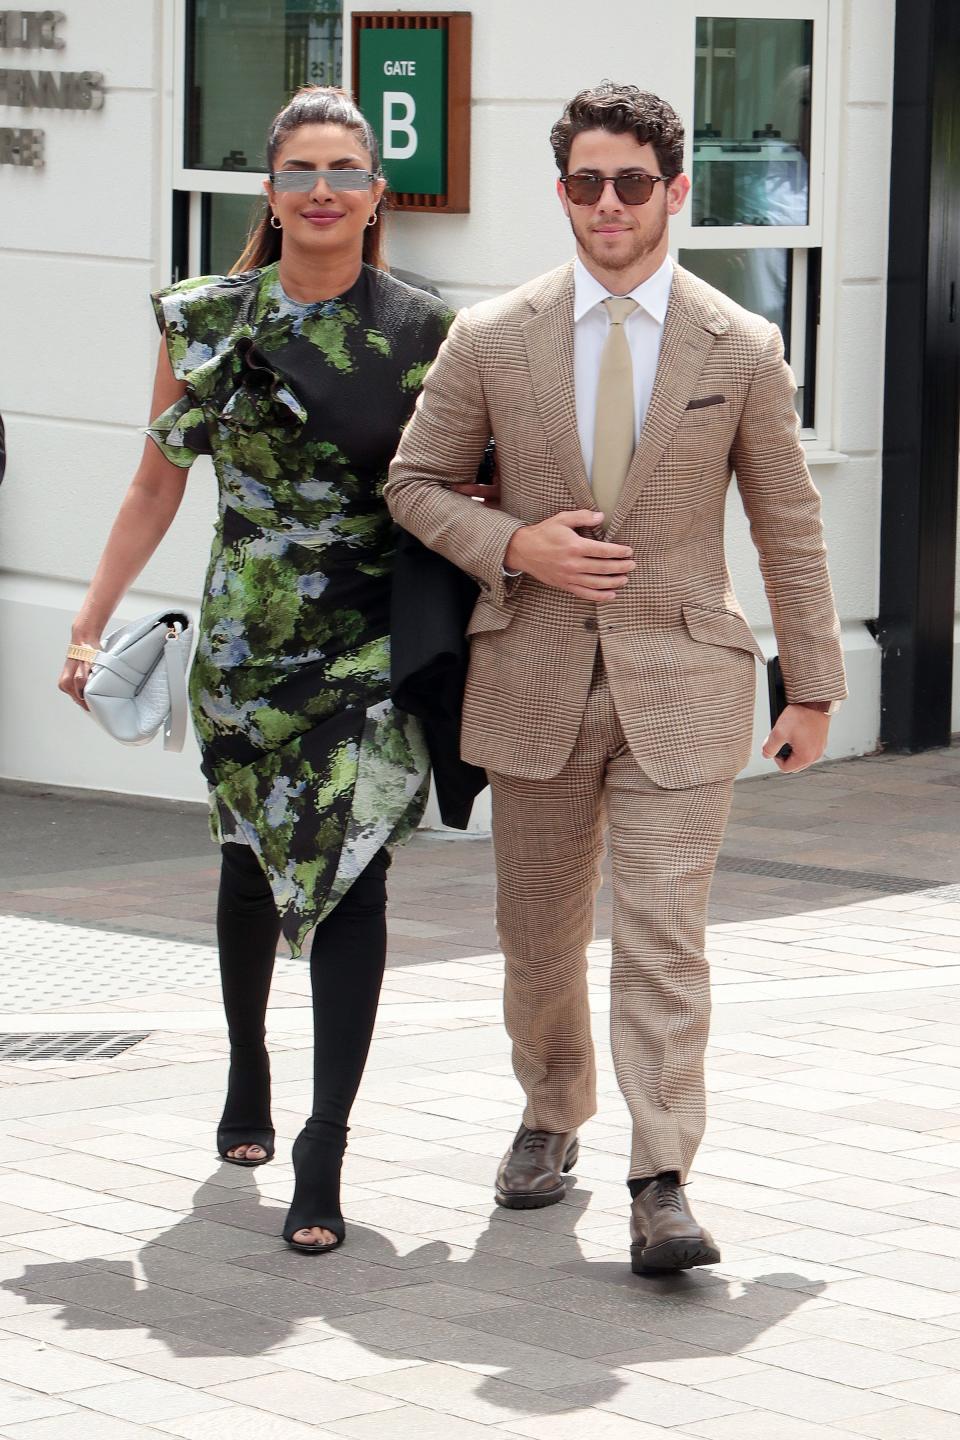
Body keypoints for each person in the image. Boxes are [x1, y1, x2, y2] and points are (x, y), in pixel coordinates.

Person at [385, 82, 845, 1274]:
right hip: (531, 673)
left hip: (684, 676)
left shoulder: (741, 347)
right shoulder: (489, 337)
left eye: (631, 183)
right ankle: (551, 1111)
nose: (608, 204)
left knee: (662, 933)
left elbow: (787, 521)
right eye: (586, 183)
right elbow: (414, 483)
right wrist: (516, 545)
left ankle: (663, 1176)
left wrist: (812, 686)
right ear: (563, 194)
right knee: (538, 934)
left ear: (675, 192)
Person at [58, 86, 455, 1255]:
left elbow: (461, 481)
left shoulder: (427, 330)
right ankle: (247, 1068)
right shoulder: (204, 321)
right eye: (300, 172)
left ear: (376, 195)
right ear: (269, 196)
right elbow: (154, 484)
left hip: (372, 643)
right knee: (246, 871)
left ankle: (325, 1146)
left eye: (344, 170)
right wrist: (90, 625)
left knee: (355, 880)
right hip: (244, 647)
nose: (322, 189)